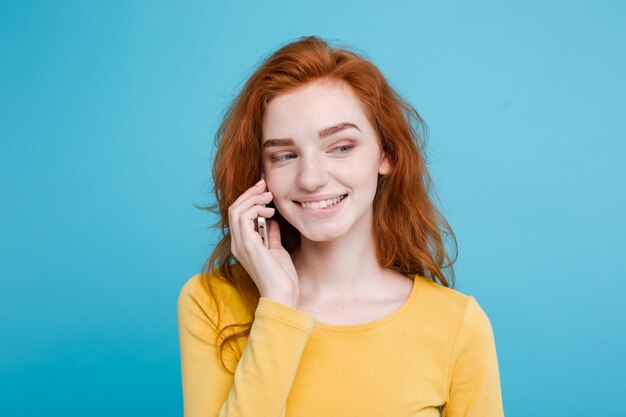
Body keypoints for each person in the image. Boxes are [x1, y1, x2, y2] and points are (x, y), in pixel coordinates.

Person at [177, 35, 504, 417]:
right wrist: (279, 306)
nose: (311, 178)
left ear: (386, 154)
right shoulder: (211, 303)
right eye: (284, 155)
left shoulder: (458, 325)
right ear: (261, 175)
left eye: (341, 146)